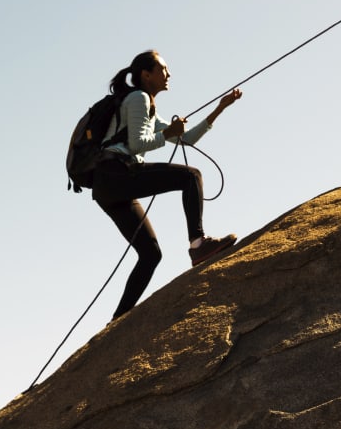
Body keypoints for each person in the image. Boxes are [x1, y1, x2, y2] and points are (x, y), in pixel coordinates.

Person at [92, 50, 243, 319]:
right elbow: (138, 144)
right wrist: (167, 135)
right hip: (116, 172)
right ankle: (198, 245)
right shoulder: (138, 98)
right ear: (146, 75)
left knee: (150, 254)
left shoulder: (148, 107)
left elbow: (187, 140)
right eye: (163, 69)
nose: (168, 74)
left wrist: (219, 109)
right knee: (191, 176)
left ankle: (119, 320)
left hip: (108, 186)